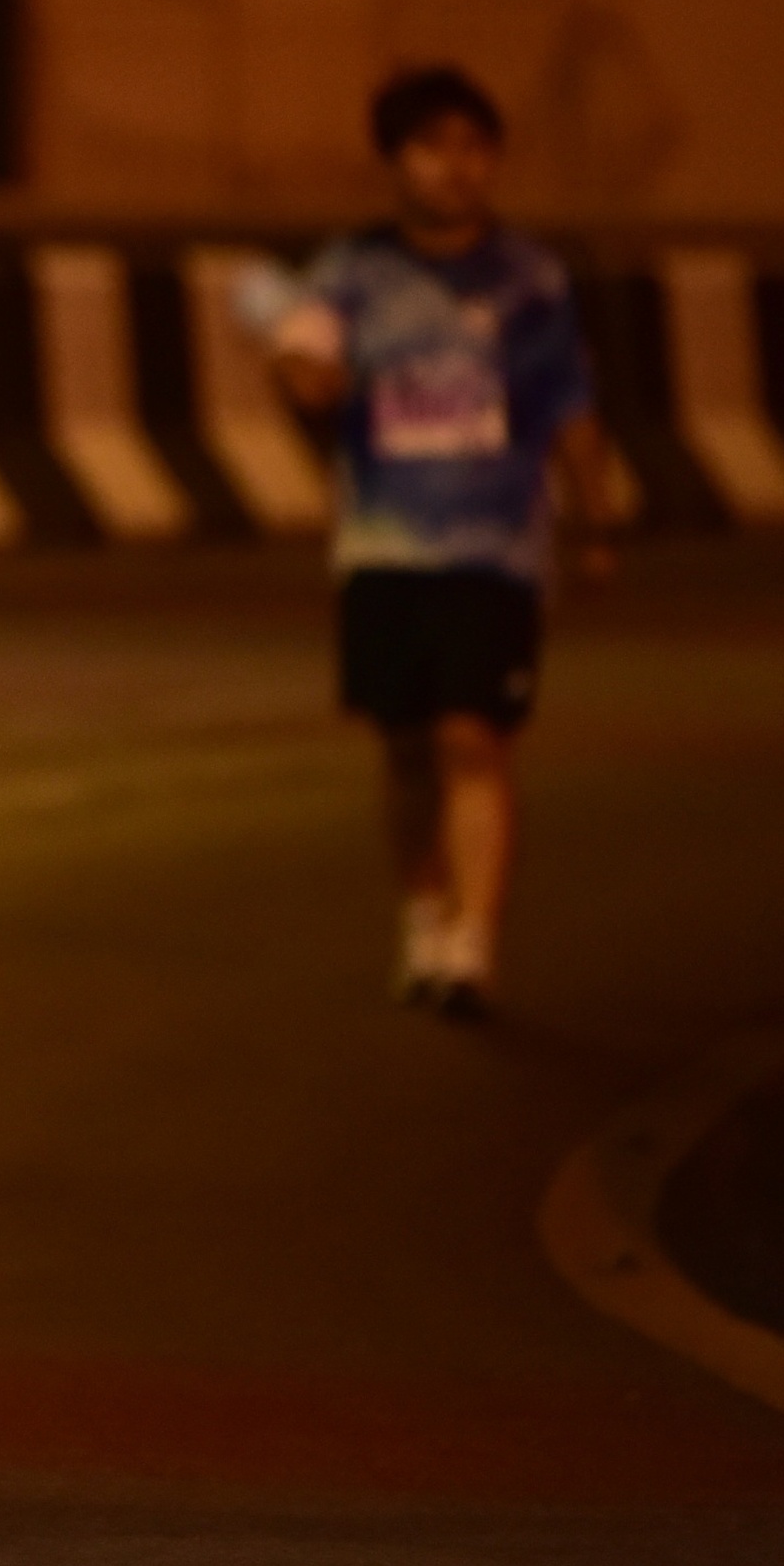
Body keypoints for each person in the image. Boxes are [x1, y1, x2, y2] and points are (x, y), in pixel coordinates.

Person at [257, 63, 617, 1024]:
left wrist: (597, 518)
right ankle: (423, 914)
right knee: (408, 744)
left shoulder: (529, 279)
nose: (457, 167)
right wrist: (299, 369)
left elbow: (570, 404)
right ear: (395, 162)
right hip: (382, 546)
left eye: (475, 146)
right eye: (433, 146)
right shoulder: (348, 274)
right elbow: (304, 372)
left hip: (496, 547)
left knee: (472, 734)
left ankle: (472, 945)